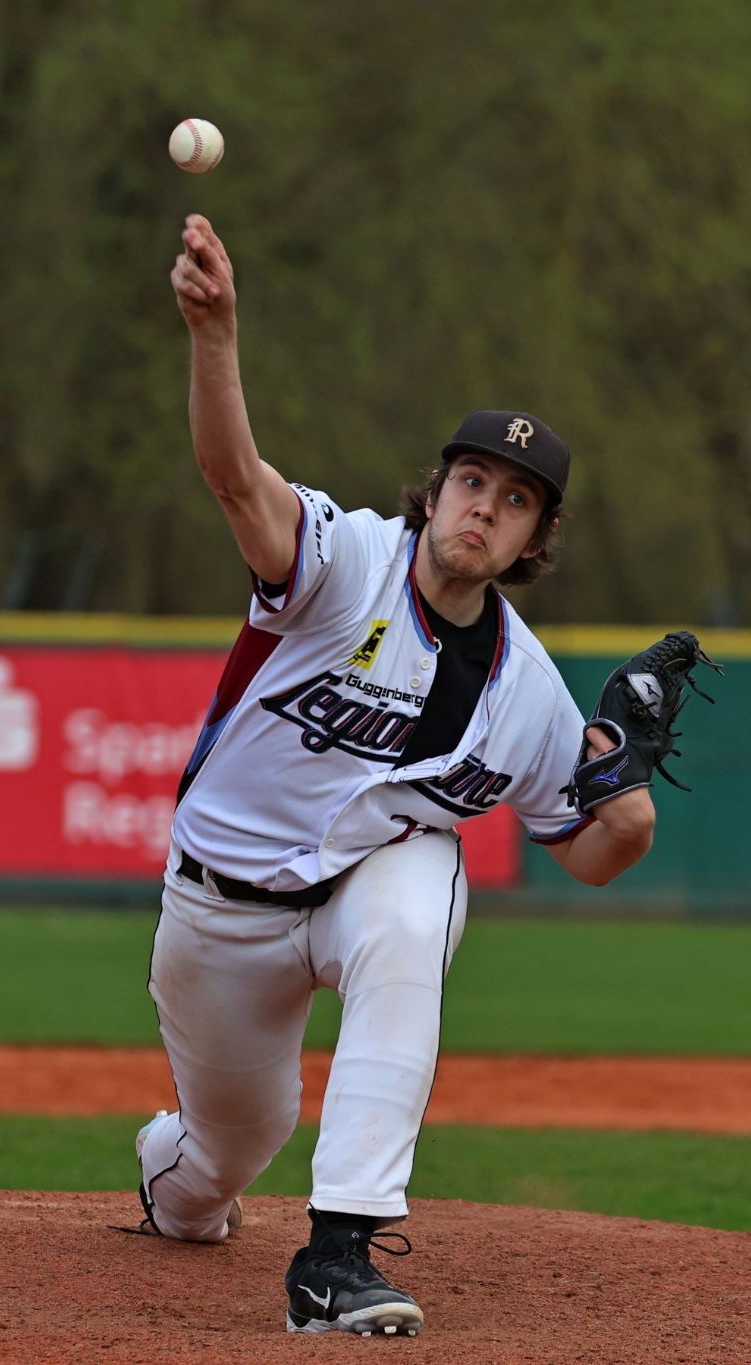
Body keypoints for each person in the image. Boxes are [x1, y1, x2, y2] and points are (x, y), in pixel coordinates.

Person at [135, 213, 696, 1337]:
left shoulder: (528, 692)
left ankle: (338, 1253)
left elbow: (589, 857)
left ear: (532, 540)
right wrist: (214, 336)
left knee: (421, 875)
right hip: (217, 914)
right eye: (472, 479)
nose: (484, 505)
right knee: (222, 1160)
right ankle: (175, 1179)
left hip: (351, 894)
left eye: (514, 497)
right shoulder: (343, 567)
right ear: (433, 491)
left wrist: (623, 800)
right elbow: (235, 481)